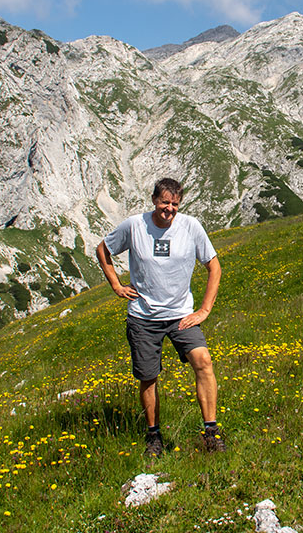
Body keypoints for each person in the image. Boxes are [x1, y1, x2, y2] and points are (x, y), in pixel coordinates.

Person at [95, 177, 225, 457]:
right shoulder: (134, 225)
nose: (169, 208)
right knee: (148, 376)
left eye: (175, 204)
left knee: (203, 361)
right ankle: (153, 436)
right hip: (143, 316)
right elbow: (102, 249)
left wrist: (204, 310)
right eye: (164, 202)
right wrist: (116, 286)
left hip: (181, 315)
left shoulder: (191, 227)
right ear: (154, 200)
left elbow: (214, 267)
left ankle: (211, 433)